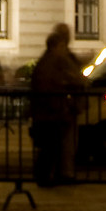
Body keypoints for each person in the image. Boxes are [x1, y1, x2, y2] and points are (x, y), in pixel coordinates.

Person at [30, 22, 83, 187]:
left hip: (52, 109)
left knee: (52, 145)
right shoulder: (52, 61)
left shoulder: (48, 60)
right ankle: (48, 177)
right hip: (52, 110)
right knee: (51, 145)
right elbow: (53, 83)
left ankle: (50, 175)